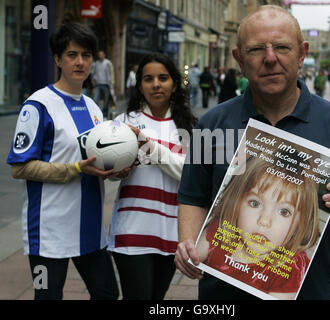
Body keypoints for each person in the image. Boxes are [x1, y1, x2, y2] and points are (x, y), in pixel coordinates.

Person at [174, 5, 330, 300]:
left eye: (282, 47)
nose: (270, 59)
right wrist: (188, 245)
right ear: (239, 60)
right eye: (257, 50)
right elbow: (192, 196)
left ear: (302, 53)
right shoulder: (212, 123)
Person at [6, 22, 119, 300]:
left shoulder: (93, 107)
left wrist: (117, 167)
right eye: (71, 54)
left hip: (90, 230)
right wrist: (75, 169)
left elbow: (99, 158)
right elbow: (20, 167)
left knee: (106, 293)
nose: (80, 62)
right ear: (57, 59)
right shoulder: (38, 105)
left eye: (86, 55)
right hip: (49, 232)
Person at [107, 53, 197, 300]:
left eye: (163, 78)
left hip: (171, 233)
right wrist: (116, 171)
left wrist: (146, 145)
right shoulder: (124, 122)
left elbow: (188, 174)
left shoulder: (190, 127)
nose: (156, 84)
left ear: (175, 84)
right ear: (140, 86)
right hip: (132, 230)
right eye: (148, 79)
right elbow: (110, 170)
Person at [196, 149, 320, 299]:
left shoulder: (291, 268)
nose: (264, 221)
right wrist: (186, 256)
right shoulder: (220, 231)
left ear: (300, 224)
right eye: (254, 203)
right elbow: (190, 257)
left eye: (284, 212)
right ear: (236, 203)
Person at [93, 50, 114, 118]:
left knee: (106, 101)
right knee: (95, 99)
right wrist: (94, 80)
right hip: (98, 84)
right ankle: (97, 113)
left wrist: (112, 84)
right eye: (99, 55)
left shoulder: (108, 63)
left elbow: (111, 73)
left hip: (106, 84)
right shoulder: (96, 63)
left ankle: (104, 115)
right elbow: (95, 72)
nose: (100, 56)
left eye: (101, 54)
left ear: (104, 55)